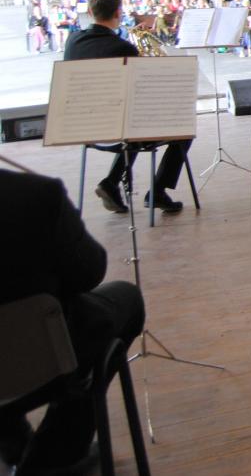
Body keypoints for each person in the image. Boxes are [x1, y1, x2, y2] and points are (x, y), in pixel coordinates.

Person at [0, 169, 145, 474]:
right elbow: (88, 273)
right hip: (39, 365)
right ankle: (56, 457)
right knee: (126, 300)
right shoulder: (36, 195)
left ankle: (15, 442)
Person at [63, 0, 191, 213]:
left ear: (90, 12)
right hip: (119, 130)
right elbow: (141, 95)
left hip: (83, 127)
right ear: (118, 12)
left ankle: (111, 183)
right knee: (183, 128)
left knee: (129, 124)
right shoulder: (122, 47)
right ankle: (158, 190)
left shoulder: (73, 41)